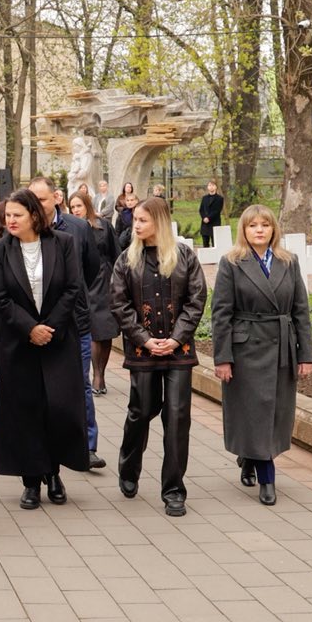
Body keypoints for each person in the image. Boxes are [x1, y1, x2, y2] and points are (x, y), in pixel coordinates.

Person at [0, 188, 90, 510]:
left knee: (58, 409)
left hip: (58, 341)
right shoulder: (1, 250)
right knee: (26, 412)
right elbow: (0, 297)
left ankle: (54, 473)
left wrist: (50, 327)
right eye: (7, 216)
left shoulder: (62, 243)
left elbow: (73, 287)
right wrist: (29, 328)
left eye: (17, 215)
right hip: (18, 345)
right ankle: (31, 481)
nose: (11, 221)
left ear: (34, 215)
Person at [212, 203, 312, 505]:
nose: (259, 230)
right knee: (254, 411)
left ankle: (250, 457)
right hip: (247, 348)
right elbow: (221, 314)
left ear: (274, 229)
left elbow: (301, 311)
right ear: (243, 230)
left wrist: (306, 354)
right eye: (253, 225)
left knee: (274, 413)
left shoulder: (289, 261)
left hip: (282, 347)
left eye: (265, 225)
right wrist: (223, 357)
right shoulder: (231, 263)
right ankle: (267, 477)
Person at [109, 194, 208, 516]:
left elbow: (196, 299)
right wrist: (145, 339)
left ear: (159, 223)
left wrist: (177, 338)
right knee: (141, 410)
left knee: (178, 417)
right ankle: (128, 466)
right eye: (134, 220)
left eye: (142, 220)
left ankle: (174, 490)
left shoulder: (184, 257)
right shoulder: (126, 260)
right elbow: (120, 304)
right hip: (143, 350)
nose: (135, 225)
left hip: (179, 352)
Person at [31, 177, 105, 471]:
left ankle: (86, 446)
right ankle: (46, 448)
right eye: (32, 200)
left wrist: (72, 299)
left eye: (43, 200)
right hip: (40, 324)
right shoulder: (27, 230)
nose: (38, 206)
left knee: (81, 384)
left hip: (75, 320)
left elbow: (91, 268)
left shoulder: (78, 228)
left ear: (57, 198)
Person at [71, 188, 121, 399]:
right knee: (91, 329)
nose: (75, 210)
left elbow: (115, 253)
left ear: (87, 206)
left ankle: (100, 374)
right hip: (83, 282)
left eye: (79, 206)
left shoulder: (104, 226)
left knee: (105, 330)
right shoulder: (69, 229)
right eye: (72, 207)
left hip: (104, 281)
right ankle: (95, 377)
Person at [198, 181, 226, 249]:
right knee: (205, 243)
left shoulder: (220, 198)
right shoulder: (204, 198)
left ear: (216, 187)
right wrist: (204, 217)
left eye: (213, 185)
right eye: (209, 185)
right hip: (205, 224)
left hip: (214, 222)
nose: (211, 187)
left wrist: (209, 218)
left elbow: (217, 211)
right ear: (207, 187)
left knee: (215, 243)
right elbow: (201, 209)